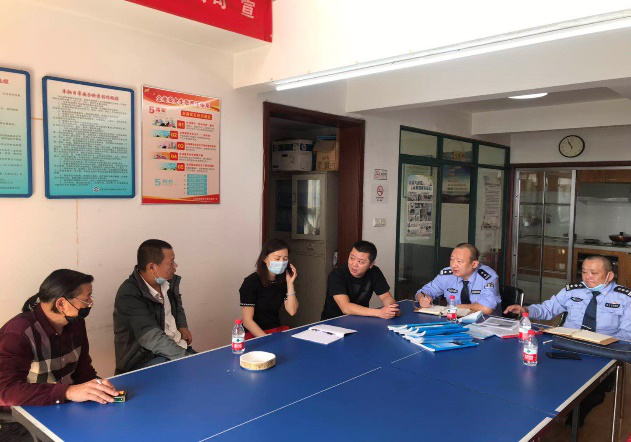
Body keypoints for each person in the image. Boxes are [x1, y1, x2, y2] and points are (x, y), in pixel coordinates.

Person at [504, 255, 631, 426]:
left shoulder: (625, 298)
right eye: (584, 272)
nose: (587, 277)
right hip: (566, 345)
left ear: (609, 275)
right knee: (537, 373)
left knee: (593, 392)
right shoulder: (572, 291)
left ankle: (573, 420)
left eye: (594, 273)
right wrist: (526, 309)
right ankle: (536, 414)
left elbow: (627, 335)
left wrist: (602, 342)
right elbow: (547, 309)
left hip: (601, 353)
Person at [0, 270, 119, 442]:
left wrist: (98, 387)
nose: (91, 303)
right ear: (62, 303)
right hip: (18, 420)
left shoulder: (76, 323)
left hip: (62, 408)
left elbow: (82, 369)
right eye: (86, 299)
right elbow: (5, 390)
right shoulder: (18, 334)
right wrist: (68, 391)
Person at [114, 239, 194, 374]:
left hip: (173, 349)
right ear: (152, 267)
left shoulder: (168, 282)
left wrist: (182, 325)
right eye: (171, 262)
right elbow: (152, 338)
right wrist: (187, 358)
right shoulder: (128, 294)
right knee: (193, 373)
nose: (175, 266)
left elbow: (177, 304)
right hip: (145, 360)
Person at [321, 240, 399, 320]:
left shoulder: (374, 272)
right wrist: (379, 313)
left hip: (360, 319)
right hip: (333, 322)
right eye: (352, 258)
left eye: (360, 262)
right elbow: (345, 307)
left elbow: (385, 296)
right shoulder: (336, 275)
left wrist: (391, 308)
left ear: (371, 264)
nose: (354, 264)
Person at [416, 243, 501, 315]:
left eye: (459, 261)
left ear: (474, 264)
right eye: (452, 260)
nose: (453, 265)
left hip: (484, 323)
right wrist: (423, 299)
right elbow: (423, 291)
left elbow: (486, 308)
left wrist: (455, 307)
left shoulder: (488, 277)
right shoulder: (447, 275)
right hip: (454, 321)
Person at [240, 239, 298, 339]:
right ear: (265, 259)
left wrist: (290, 284)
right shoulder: (251, 282)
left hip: (275, 330)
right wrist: (267, 339)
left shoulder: (283, 280)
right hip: (255, 334)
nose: (281, 262)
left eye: (285, 258)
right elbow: (247, 321)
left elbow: (292, 311)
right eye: (277, 258)